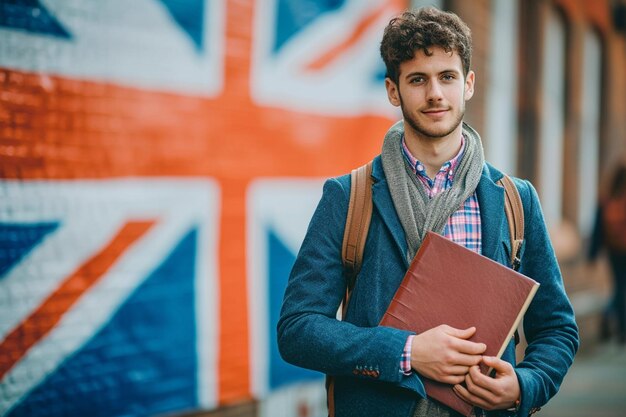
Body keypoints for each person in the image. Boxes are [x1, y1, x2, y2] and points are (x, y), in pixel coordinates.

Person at [277, 7, 579, 417]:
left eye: (447, 77)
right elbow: (298, 329)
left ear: (468, 84)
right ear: (393, 90)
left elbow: (557, 328)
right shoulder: (349, 197)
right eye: (418, 79)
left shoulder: (514, 200)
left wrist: (525, 386)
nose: (435, 93)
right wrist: (407, 351)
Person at [589, 160, 626, 345]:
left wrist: (593, 253)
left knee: (619, 287)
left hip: (614, 249)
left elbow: (598, 226)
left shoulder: (608, 197)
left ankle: (617, 325)